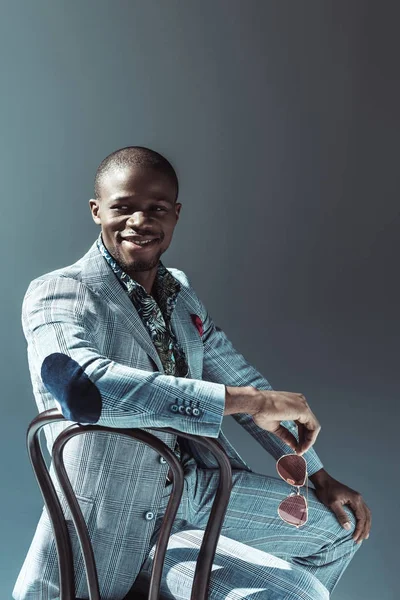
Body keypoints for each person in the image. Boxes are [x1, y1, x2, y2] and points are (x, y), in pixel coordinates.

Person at [13, 146, 371, 600]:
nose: (139, 222)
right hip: (113, 513)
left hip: (195, 493)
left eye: (155, 209)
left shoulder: (180, 295)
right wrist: (248, 401)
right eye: (122, 207)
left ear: (175, 215)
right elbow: (82, 388)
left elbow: (242, 379)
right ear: (96, 210)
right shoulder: (60, 291)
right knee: (292, 595)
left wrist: (317, 476)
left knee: (341, 529)